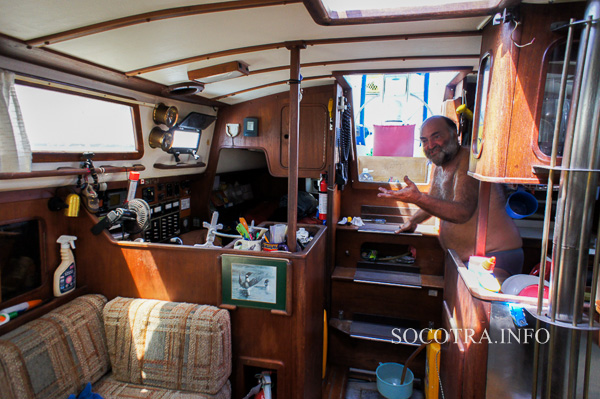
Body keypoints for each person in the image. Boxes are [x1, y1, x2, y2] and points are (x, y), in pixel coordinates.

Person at [377, 115, 523, 278]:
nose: (430, 146)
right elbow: (435, 200)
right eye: (424, 140)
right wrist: (413, 221)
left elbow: (462, 212)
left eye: (436, 137)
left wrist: (417, 198)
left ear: (454, 134)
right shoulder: (440, 166)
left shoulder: (468, 160)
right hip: (468, 260)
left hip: (493, 258)